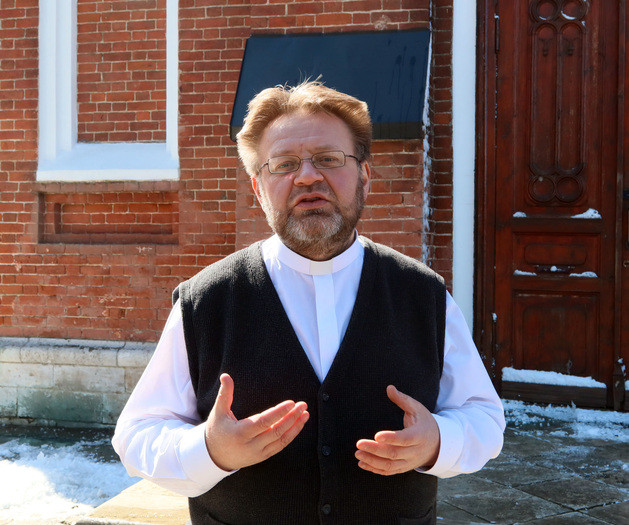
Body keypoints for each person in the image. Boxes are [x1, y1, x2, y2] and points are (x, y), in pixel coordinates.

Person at [113, 81, 505, 525]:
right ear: (258, 188)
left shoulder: (424, 295)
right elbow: (137, 435)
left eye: (328, 159)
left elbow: (484, 418)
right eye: (284, 164)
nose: (307, 177)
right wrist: (208, 450)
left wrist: (439, 441)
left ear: (364, 175)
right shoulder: (205, 302)